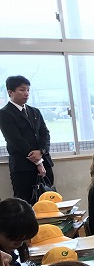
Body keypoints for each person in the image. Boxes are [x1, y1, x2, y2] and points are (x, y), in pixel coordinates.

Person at [0, 75, 54, 203]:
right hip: (23, 167)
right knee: (25, 203)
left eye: (28, 90)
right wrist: (37, 161)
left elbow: (45, 133)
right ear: (10, 92)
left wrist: (41, 151)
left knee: (49, 201)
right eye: (22, 89)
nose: (26, 93)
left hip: (45, 163)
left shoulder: (34, 111)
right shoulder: (5, 113)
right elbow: (15, 140)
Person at [0, 197, 38, 266]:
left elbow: (13, 264)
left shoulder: (8, 250)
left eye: (23, 240)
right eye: (13, 239)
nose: (19, 244)